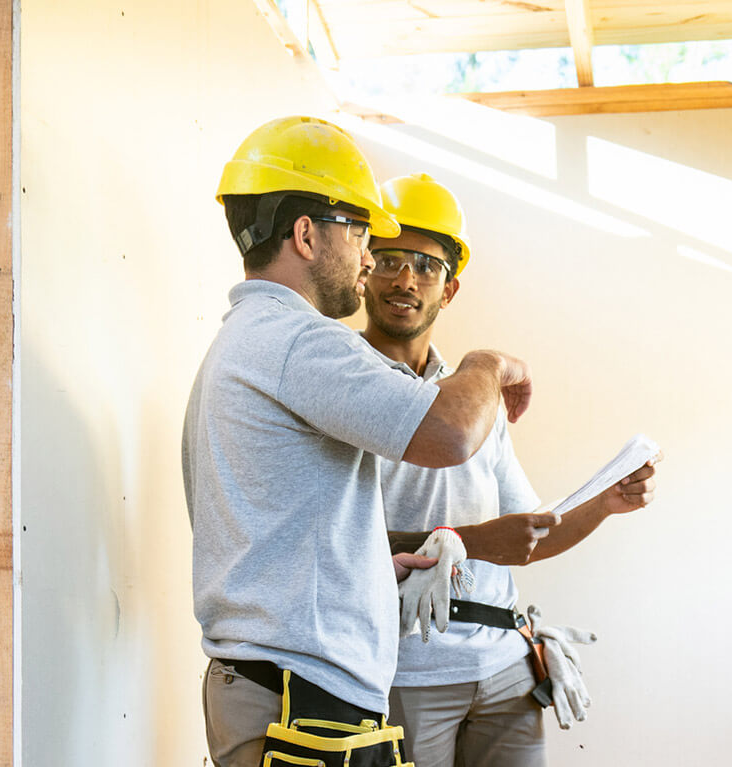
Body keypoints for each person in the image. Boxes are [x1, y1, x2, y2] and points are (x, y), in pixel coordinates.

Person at [184, 117, 535, 767]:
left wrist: (374, 567)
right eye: (361, 232)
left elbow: (281, 523)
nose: (371, 258)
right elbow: (451, 431)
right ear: (307, 234)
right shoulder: (299, 341)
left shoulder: (247, 338)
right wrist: (486, 363)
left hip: (285, 688)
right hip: (301, 696)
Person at [359, 173, 659, 767]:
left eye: (426, 264)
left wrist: (604, 504)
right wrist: (465, 543)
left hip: (505, 668)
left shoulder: (478, 402)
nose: (406, 278)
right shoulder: (342, 388)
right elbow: (330, 546)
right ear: (365, 271)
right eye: (390, 258)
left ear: (450, 290)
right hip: (407, 674)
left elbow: (526, 537)